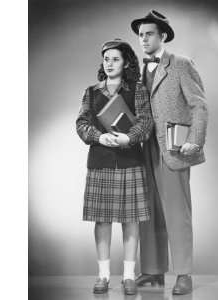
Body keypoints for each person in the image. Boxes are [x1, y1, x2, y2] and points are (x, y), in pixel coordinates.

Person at [130, 10, 208, 295]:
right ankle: (152, 271)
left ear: (162, 36)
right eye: (140, 35)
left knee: (177, 212)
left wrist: (195, 140)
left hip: (173, 146)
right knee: (147, 211)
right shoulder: (135, 70)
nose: (143, 39)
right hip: (142, 147)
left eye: (149, 33)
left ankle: (184, 273)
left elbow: (199, 105)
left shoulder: (181, 64)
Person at [76, 38, 153, 295]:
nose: (109, 64)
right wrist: (99, 137)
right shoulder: (91, 91)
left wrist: (128, 138)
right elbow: (81, 124)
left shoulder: (137, 89)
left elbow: (145, 122)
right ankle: (103, 276)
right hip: (100, 162)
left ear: (126, 62)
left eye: (115, 59)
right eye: (106, 59)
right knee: (102, 221)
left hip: (131, 160)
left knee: (131, 220)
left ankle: (129, 276)